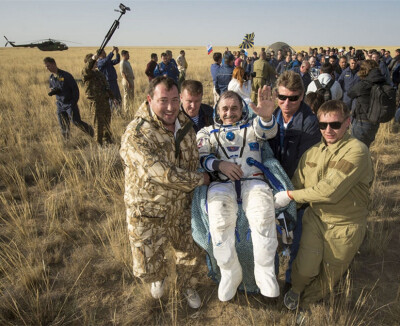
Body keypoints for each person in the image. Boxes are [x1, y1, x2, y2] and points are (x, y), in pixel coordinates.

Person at [120, 76, 210, 309]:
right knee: (149, 261)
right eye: (163, 100)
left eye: (174, 100)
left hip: (181, 205)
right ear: (150, 99)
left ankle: (187, 285)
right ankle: (158, 277)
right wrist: (201, 179)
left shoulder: (185, 123)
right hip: (149, 209)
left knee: (188, 252)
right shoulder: (136, 134)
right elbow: (161, 174)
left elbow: (193, 158)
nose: (170, 107)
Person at [277, 100, 373, 315]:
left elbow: (328, 191)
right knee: (304, 267)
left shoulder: (357, 151)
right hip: (315, 219)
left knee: (329, 275)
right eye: (323, 125)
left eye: (335, 124)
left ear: (347, 123)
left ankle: (307, 303)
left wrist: (289, 196)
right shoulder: (312, 153)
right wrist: (278, 208)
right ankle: (297, 290)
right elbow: (298, 184)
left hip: (344, 226)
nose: (328, 130)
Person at [197, 88, 279, 302]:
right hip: (222, 183)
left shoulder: (253, 126)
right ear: (217, 110)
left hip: (253, 181)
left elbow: (267, 132)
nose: (229, 112)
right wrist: (220, 164)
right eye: (224, 108)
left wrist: (267, 116)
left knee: (262, 216)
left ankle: (265, 270)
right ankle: (229, 271)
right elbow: (201, 157)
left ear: (242, 110)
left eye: (234, 108)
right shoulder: (207, 132)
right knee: (219, 218)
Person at [268, 71, 321, 289]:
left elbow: (302, 165)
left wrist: (286, 193)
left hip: (296, 192)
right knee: (270, 238)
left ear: (301, 97)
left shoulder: (310, 124)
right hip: (273, 188)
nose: (286, 103)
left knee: (297, 238)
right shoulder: (271, 116)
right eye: (282, 97)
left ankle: (291, 282)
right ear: (276, 95)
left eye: (293, 98)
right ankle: (270, 283)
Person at [44, 57, 93, 139]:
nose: (47, 68)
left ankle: (91, 131)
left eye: (48, 66)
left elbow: (75, 90)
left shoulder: (65, 75)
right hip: (60, 104)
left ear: (53, 64)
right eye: (45, 66)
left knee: (76, 122)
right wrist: (53, 91)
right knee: (63, 124)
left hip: (70, 103)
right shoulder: (52, 77)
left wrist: (73, 102)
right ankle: (66, 140)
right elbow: (52, 87)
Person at [348, 60, 387, 148]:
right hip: (375, 122)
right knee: (365, 148)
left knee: (356, 150)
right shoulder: (383, 82)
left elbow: (350, 93)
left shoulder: (363, 85)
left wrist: (361, 79)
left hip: (362, 122)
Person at [82, 53, 115, 145]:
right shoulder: (86, 74)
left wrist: (112, 97)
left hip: (104, 100)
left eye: (95, 61)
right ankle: (98, 143)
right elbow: (87, 69)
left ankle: (107, 139)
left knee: (107, 121)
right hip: (95, 102)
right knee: (97, 123)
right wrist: (92, 59)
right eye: (94, 61)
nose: (96, 62)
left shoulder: (99, 73)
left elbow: (106, 86)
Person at [120, 50, 135, 115]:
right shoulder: (122, 62)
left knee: (131, 96)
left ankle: (131, 109)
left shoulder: (127, 62)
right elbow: (123, 73)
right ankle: (127, 111)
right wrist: (128, 82)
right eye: (127, 55)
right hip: (126, 81)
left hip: (131, 80)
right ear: (124, 55)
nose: (129, 56)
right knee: (127, 96)